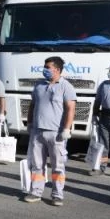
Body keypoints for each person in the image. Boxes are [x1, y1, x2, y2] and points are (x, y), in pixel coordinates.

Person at [24, 56, 76, 206]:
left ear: (57, 69)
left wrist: (66, 129)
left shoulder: (66, 86)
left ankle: (57, 195)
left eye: (48, 67)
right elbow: (32, 105)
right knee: (37, 165)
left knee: (57, 166)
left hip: (56, 133)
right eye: (45, 67)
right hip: (37, 131)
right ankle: (35, 192)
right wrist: (30, 123)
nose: (44, 70)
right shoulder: (39, 85)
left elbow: (70, 109)